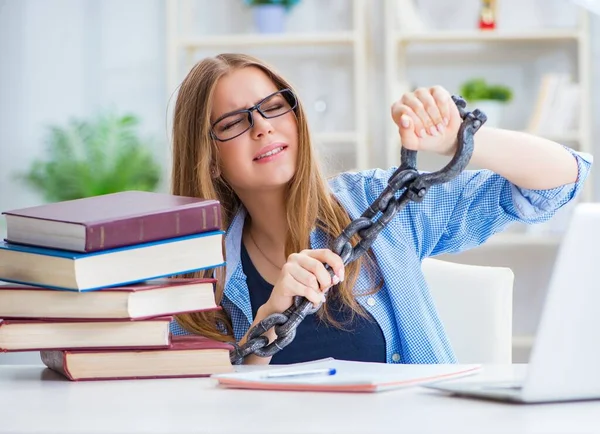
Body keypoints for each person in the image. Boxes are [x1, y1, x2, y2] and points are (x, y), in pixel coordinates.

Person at [169, 53, 592, 365]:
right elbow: (202, 411)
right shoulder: (194, 277)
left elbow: (562, 180)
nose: (262, 126)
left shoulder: (377, 205)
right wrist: (268, 322)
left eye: (275, 106)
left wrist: (459, 140)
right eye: (232, 123)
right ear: (208, 158)